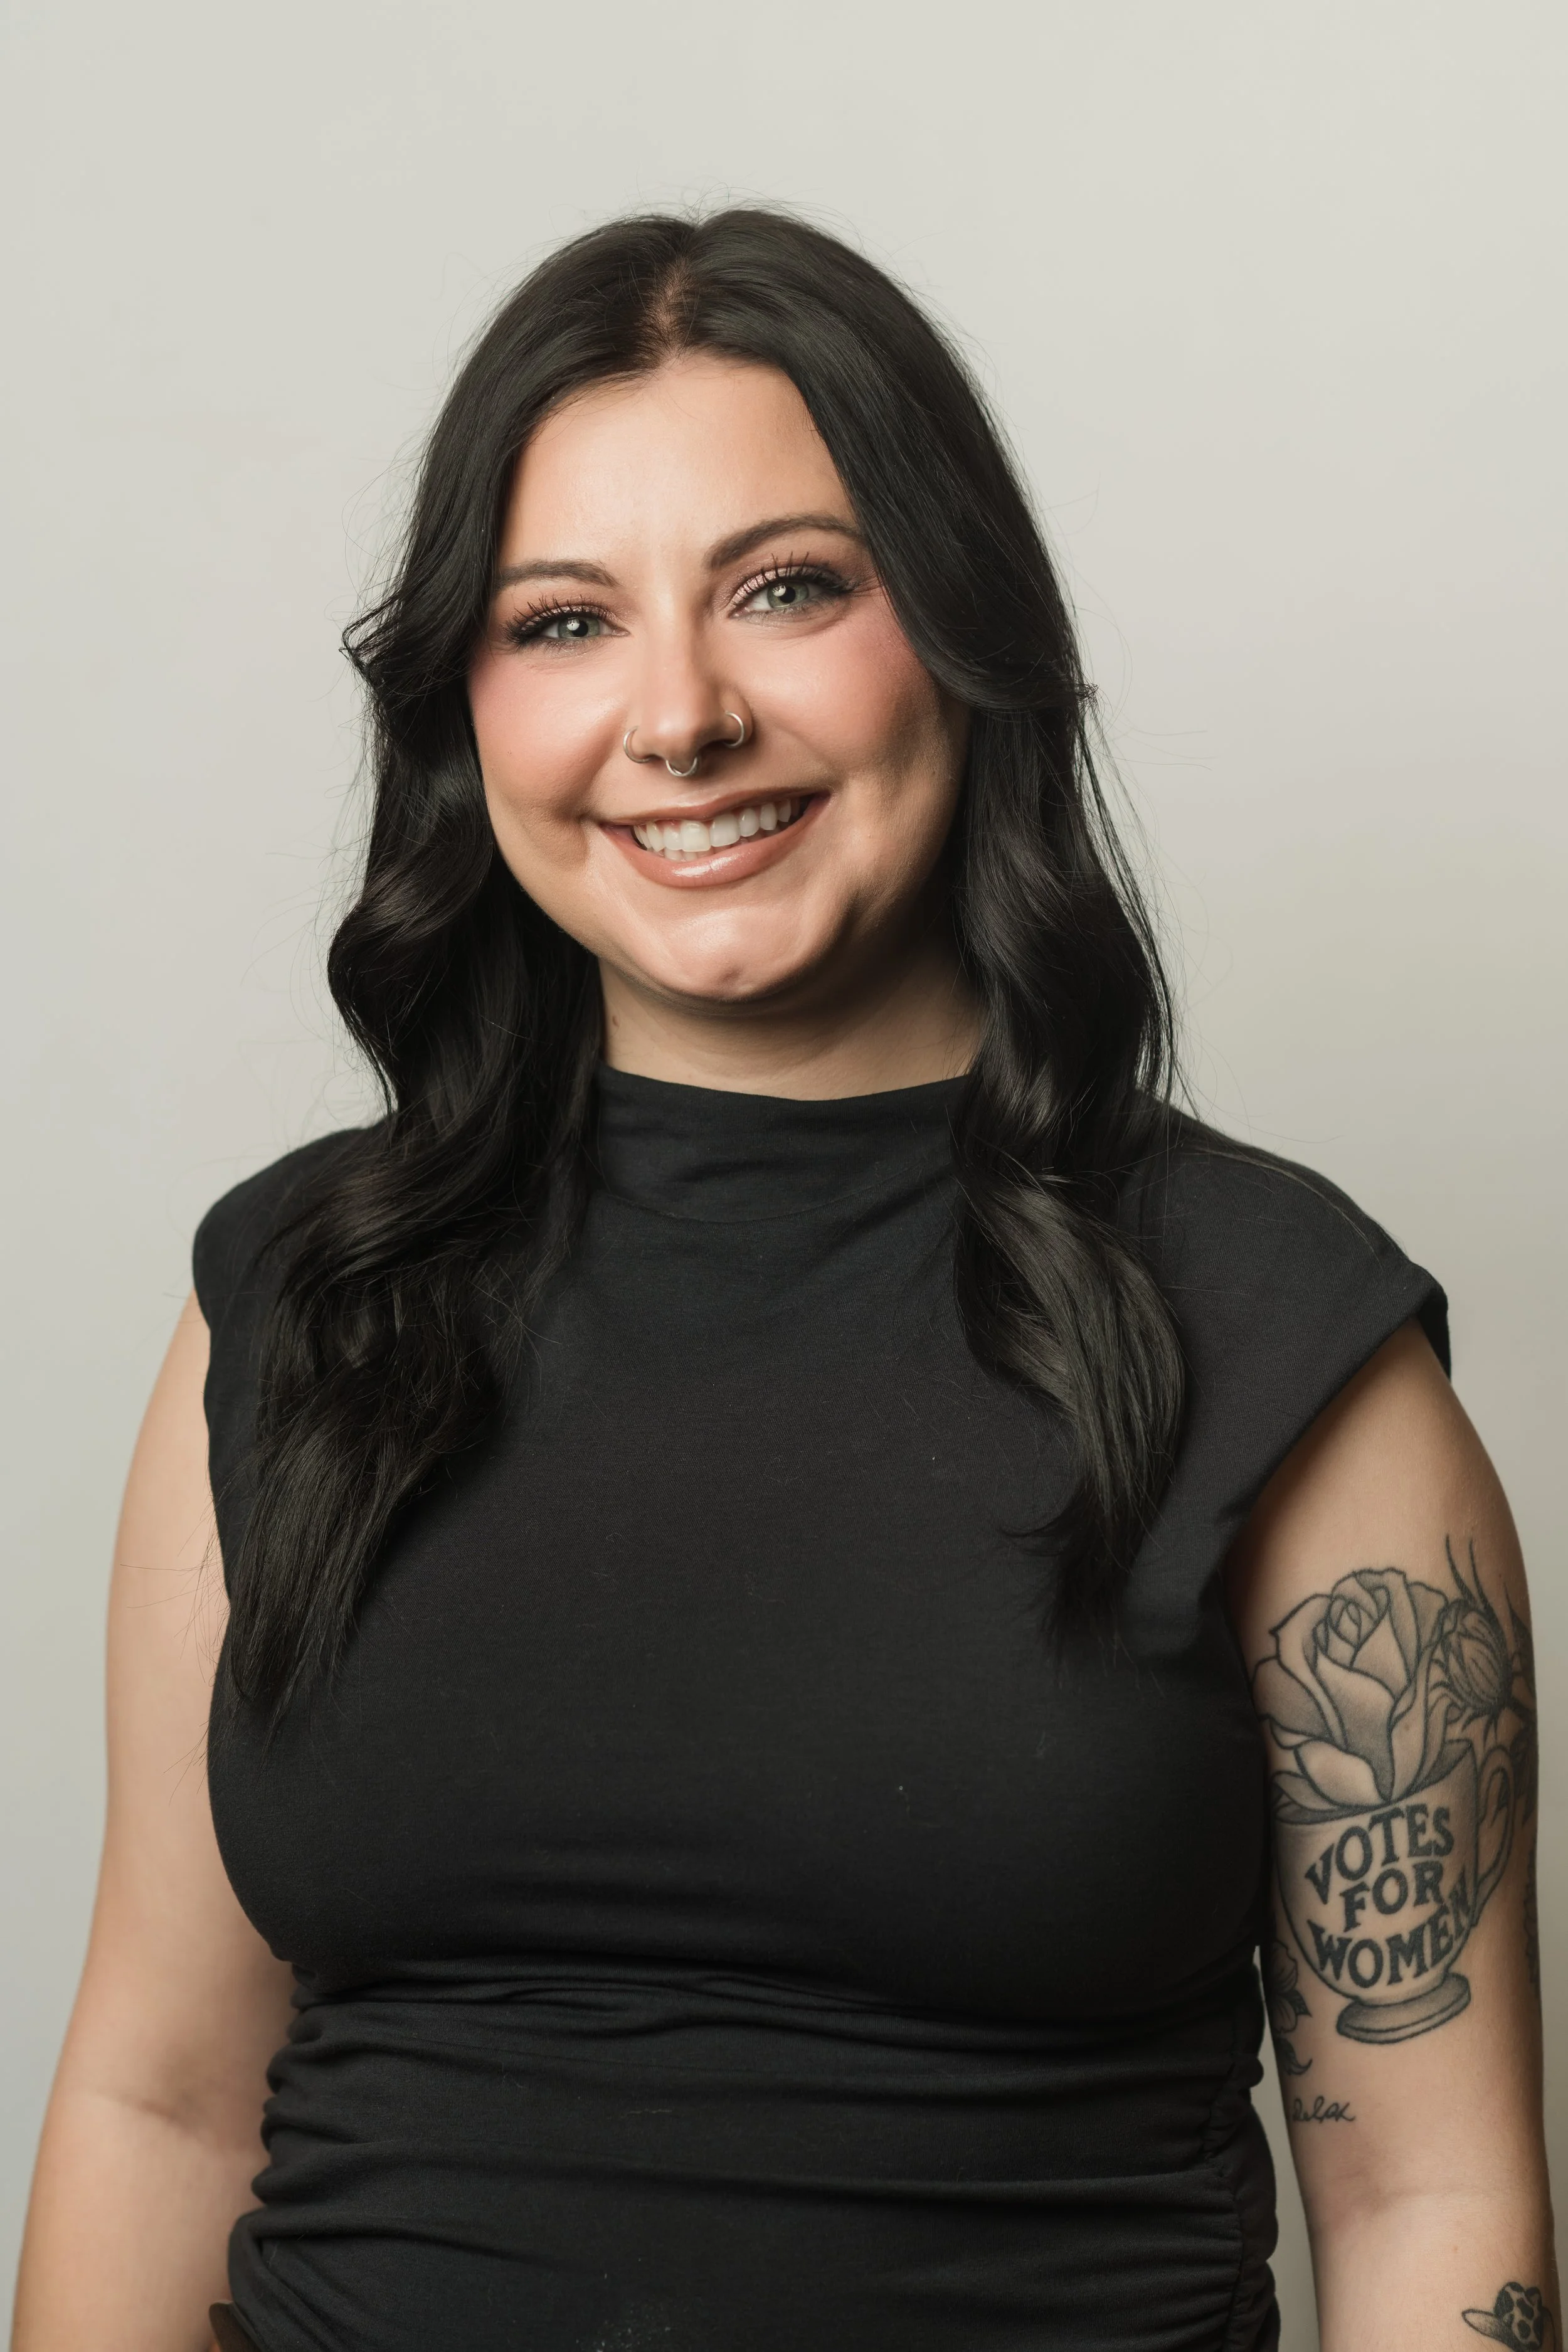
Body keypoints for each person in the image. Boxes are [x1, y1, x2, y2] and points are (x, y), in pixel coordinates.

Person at [13, 208, 1554, 2352]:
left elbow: (1426, 2192)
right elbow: (160, 2101)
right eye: (562, 620)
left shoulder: (1283, 1336)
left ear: (959, 625)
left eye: (790, 589)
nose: (678, 717)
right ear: (468, 705)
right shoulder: (295, 1300)